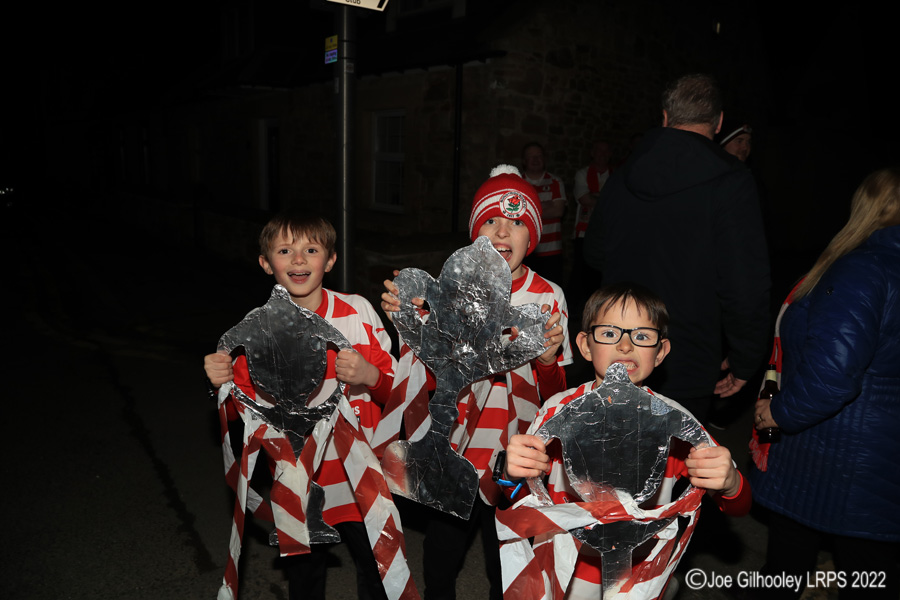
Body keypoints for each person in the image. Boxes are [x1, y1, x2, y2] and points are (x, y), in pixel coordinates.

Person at [381, 164, 573, 600]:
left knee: (507, 553)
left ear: (533, 238)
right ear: (473, 233)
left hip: (517, 451)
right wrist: (406, 320)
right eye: (490, 219)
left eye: (517, 221)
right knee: (441, 551)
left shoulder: (549, 296)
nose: (503, 230)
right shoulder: (450, 288)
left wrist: (545, 360)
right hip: (459, 443)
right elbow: (426, 374)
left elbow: (558, 394)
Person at [504, 283, 750, 598]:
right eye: (609, 333)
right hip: (563, 568)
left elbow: (739, 507)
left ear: (660, 352)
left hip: (637, 573)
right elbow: (517, 495)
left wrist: (729, 483)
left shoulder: (674, 425)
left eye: (642, 336)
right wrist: (513, 472)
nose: (625, 346)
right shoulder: (556, 412)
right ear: (585, 345)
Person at [204, 213, 397, 600]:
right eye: (284, 251)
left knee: (378, 569)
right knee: (305, 578)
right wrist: (220, 383)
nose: (297, 260)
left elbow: (398, 394)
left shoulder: (357, 311)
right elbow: (246, 415)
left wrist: (369, 375)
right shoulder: (256, 328)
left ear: (329, 261)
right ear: (265, 263)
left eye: (310, 250)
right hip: (298, 476)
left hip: (362, 474)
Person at [583, 73, 770, 423]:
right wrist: (746, 359)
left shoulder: (623, 176)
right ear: (718, 122)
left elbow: (594, 253)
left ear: (666, 117)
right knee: (676, 473)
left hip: (621, 352)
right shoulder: (732, 182)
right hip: (689, 358)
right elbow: (745, 284)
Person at [751, 167, 900, 599]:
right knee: (867, 569)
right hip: (878, 451)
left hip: (837, 453)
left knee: (793, 563)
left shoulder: (862, 271)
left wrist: (775, 412)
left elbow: (832, 377)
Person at [568, 140, 612, 325]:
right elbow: (584, 198)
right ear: (592, 153)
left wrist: (596, 197)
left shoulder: (615, 175)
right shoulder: (583, 174)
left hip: (607, 237)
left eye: (606, 151)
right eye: (599, 150)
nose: (602, 154)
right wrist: (606, 199)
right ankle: (577, 318)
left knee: (600, 280)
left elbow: (615, 203)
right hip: (583, 235)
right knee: (580, 278)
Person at [522, 142, 567, 285]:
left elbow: (558, 211)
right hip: (525, 250)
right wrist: (546, 205)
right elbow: (516, 214)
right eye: (531, 157)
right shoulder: (519, 183)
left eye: (539, 156)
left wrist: (530, 208)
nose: (535, 160)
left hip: (552, 251)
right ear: (524, 161)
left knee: (551, 294)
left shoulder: (555, 181)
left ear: (545, 159)